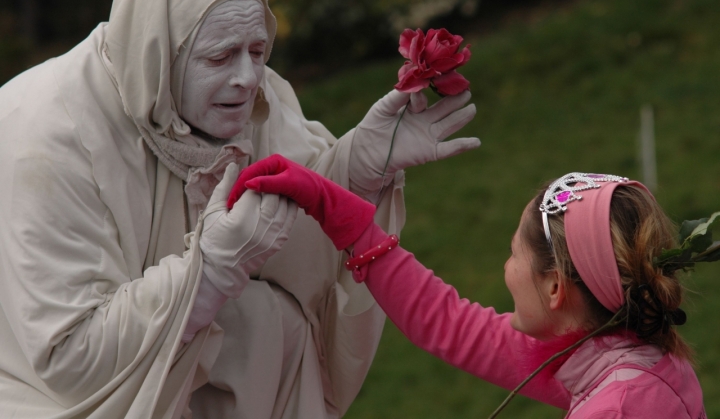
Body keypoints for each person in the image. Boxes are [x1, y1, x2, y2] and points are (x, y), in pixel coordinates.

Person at [0, 0, 480, 419]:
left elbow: (288, 256)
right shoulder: (46, 136)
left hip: (183, 365)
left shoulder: (249, 97)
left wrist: (356, 171)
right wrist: (208, 272)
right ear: (159, 55)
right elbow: (69, 357)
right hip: (43, 393)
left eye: (257, 51)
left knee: (271, 320)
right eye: (222, 56)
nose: (250, 78)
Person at [237, 155, 707, 418]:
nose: (505, 268)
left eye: (514, 255)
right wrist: (348, 222)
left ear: (554, 289)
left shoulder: (619, 408)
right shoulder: (609, 345)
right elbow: (452, 325)